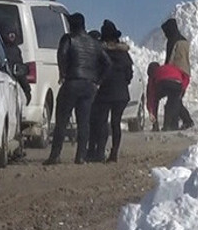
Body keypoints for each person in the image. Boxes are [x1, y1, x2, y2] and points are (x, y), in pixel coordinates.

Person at [43, 13, 112, 165]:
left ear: (72, 25)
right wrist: (98, 81)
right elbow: (107, 63)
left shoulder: (68, 39)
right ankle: (80, 156)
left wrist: (63, 73)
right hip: (89, 85)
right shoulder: (94, 43)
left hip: (72, 82)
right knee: (84, 121)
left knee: (62, 120)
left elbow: (62, 54)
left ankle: (55, 155)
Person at [87, 19, 133, 163]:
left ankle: (99, 152)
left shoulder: (101, 52)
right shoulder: (124, 54)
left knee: (102, 122)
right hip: (121, 94)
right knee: (116, 123)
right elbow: (129, 75)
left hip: (104, 93)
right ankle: (114, 153)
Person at [161, 18, 194, 129]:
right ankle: (178, 123)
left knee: (174, 100)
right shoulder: (184, 41)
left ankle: (183, 122)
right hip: (186, 73)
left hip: (175, 74)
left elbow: (170, 59)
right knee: (176, 99)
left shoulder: (172, 41)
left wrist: (165, 72)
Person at [146, 61, 192, 131]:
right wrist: (183, 88)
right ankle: (187, 122)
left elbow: (151, 96)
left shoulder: (153, 74)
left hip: (163, 83)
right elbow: (186, 77)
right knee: (176, 103)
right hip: (178, 83)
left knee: (158, 100)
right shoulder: (168, 67)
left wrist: (151, 111)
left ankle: (166, 126)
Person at [0, 19, 32, 104]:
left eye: (13, 34)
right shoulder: (13, 50)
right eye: (9, 34)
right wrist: (27, 90)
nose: (12, 37)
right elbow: (19, 71)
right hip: (9, 88)